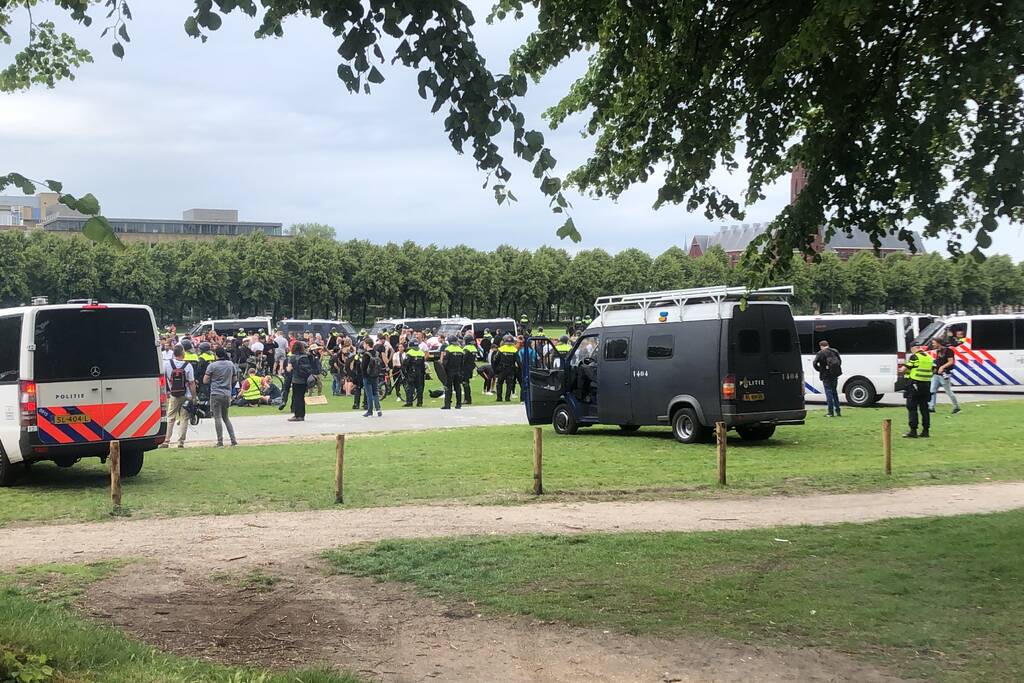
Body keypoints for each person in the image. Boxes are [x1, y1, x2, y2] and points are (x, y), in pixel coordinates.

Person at [160, 344, 196, 449]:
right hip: (186, 395)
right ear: (183, 353)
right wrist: (193, 397)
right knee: (184, 418)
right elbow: (191, 382)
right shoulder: (188, 366)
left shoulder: (167, 364)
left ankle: (166, 441)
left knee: (171, 417)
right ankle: (181, 442)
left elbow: (164, 379)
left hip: (173, 395)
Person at [203, 347, 238, 447]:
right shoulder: (230, 364)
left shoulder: (212, 366)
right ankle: (233, 439)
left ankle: (220, 441)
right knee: (226, 417)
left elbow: (205, 380)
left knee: (217, 417)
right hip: (227, 393)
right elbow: (234, 379)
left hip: (215, 393)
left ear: (216, 354)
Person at [902, 344, 934, 438]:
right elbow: (934, 369)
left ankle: (913, 431)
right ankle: (925, 431)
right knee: (924, 409)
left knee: (912, 407)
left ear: (914, 348)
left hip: (915, 385)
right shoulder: (929, 357)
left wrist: (902, 370)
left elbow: (905, 369)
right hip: (926, 385)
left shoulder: (914, 357)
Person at [929, 338, 961, 414]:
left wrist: (942, 367)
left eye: (934, 343)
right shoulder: (938, 351)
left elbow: (951, 362)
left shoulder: (949, 351)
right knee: (932, 390)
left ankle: (956, 407)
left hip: (944, 374)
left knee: (948, 391)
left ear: (938, 343)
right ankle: (931, 407)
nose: (933, 344)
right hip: (936, 374)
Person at [812, 339, 843, 417]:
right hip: (834, 374)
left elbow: (815, 363)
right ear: (828, 345)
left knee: (828, 393)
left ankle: (830, 412)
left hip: (825, 375)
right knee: (834, 392)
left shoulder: (820, 353)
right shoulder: (835, 351)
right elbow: (839, 361)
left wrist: (820, 370)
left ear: (821, 346)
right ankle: (838, 411)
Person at [288, 341, 316, 422]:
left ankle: (297, 415)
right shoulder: (306, 356)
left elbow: (289, 369)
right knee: (302, 397)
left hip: (296, 379)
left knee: (296, 397)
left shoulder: (292, 357)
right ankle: (302, 415)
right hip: (305, 379)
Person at [361, 338, 383, 417]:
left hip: (367, 376)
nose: (363, 345)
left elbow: (363, 367)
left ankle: (370, 411)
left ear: (367, 344)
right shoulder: (376, 353)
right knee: (375, 393)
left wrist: (363, 376)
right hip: (375, 376)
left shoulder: (366, 355)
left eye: (364, 344)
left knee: (369, 394)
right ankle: (378, 410)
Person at [493, 334, 519, 402]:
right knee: (509, 384)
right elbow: (518, 361)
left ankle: (499, 398)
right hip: (511, 369)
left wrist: (496, 369)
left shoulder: (501, 349)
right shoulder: (515, 350)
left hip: (502, 369)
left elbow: (496, 360)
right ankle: (507, 398)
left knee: (499, 383)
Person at [441, 336, 464, 409]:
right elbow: (462, 362)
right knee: (458, 388)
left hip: (449, 371)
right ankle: (458, 404)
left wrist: (443, 372)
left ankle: (447, 405)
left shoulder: (448, 349)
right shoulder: (460, 350)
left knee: (448, 388)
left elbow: (445, 362)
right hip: (458, 371)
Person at [403, 340, 426, 406]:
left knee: (410, 387)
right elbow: (423, 365)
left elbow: (405, 364)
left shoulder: (409, 353)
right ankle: (420, 402)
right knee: (419, 388)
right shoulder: (421, 353)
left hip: (411, 372)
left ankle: (409, 402)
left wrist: (405, 373)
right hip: (420, 373)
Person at [461, 333, 478, 405]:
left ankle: (467, 399)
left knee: (465, 383)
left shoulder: (466, 348)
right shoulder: (474, 348)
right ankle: (468, 399)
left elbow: (463, 359)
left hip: (465, 368)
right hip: (470, 367)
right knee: (467, 382)